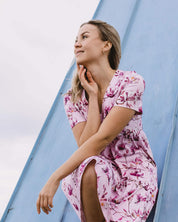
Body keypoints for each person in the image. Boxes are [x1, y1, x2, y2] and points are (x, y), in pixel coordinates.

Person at [36, 20, 158, 222]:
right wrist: (92, 98)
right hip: (99, 174)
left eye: (84, 37)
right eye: (76, 40)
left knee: (90, 165)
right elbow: (86, 148)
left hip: (133, 173)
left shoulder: (130, 82)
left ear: (106, 45)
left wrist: (54, 177)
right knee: (89, 167)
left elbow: (103, 138)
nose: (76, 44)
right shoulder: (73, 99)